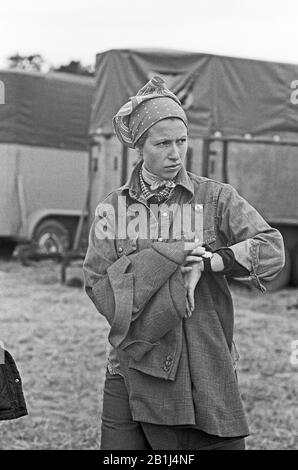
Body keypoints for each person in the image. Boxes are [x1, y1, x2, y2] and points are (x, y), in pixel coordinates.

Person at [83, 76, 285, 450]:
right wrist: (163, 267)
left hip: (203, 364)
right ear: (140, 147)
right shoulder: (112, 208)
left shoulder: (216, 198)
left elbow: (271, 248)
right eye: (163, 143)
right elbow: (98, 284)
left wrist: (210, 263)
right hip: (130, 367)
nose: (176, 153)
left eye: (182, 141)